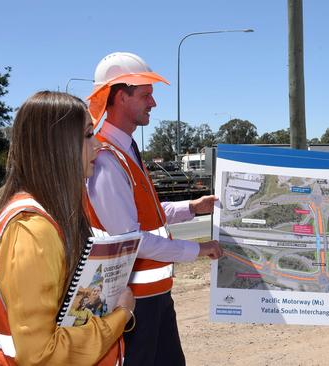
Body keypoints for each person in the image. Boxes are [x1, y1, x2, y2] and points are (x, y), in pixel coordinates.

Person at [85, 52, 223, 365]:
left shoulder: (126, 148)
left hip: (154, 298)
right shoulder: (107, 160)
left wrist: (191, 207)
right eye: (146, 95)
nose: (153, 103)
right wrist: (198, 250)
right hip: (130, 305)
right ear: (121, 97)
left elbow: (145, 214)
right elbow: (130, 239)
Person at [0, 91, 135, 365]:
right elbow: (42, 354)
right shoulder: (32, 231)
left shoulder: (48, 218)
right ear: (56, 146)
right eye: (88, 135)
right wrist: (120, 315)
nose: (98, 146)